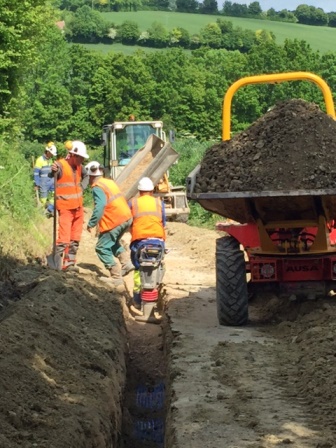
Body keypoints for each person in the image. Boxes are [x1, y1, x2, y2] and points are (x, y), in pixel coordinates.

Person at [86, 161, 134, 286]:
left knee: (101, 247)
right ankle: (126, 263)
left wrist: (91, 223)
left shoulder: (98, 187)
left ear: (90, 176)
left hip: (115, 219)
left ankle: (116, 277)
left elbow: (100, 206)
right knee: (112, 243)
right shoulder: (109, 182)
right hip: (126, 217)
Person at [50, 141, 89, 272]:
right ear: (73, 155)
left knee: (75, 238)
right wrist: (53, 170)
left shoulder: (79, 167)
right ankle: (56, 263)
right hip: (65, 207)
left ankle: (69, 264)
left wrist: (82, 187)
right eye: (80, 157)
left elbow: (87, 176)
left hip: (78, 207)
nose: (82, 160)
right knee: (64, 238)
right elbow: (53, 172)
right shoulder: (60, 165)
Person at [129, 177, 166, 308]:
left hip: (140, 242)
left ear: (139, 191)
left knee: (138, 268)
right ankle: (156, 296)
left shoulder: (133, 202)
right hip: (158, 241)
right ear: (152, 191)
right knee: (158, 265)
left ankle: (137, 301)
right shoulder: (158, 202)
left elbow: (128, 222)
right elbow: (164, 222)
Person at [33, 142, 57, 209]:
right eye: (51, 154)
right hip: (43, 183)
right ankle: (42, 212)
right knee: (43, 198)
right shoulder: (39, 160)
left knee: (55, 195)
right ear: (48, 152)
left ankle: (50, 209)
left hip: (51, 181)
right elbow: (36, 173)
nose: (52, 155)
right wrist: (37, 184)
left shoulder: (50, 159)